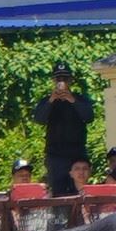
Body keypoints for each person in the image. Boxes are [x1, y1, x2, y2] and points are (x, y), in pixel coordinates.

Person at [33, 61, 95, 192]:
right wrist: (51, 100)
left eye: (65, 78)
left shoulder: (80, 99)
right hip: (55, 155)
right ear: (53, 80)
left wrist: (72, 100)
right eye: (58, 78)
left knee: (79, 190)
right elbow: (39, 119)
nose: (62, 81)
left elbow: (89, 117)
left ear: (71, 80)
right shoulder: (46, 101)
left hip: (76, 153)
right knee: (58, 190)